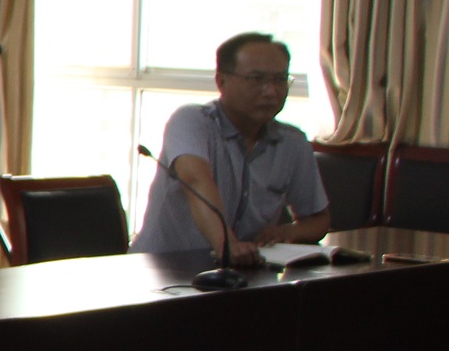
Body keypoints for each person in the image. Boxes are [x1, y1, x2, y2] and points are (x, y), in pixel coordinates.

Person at [132, 32, 332, 265]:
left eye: (280, 80)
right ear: (221, 82)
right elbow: (196, 181)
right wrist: (226, 245)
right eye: (256, 79)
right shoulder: (191, 121)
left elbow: (319, 220)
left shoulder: (292, 142)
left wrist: (288, 232)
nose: (271, 91)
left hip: (244, 272)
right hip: (162, 270)